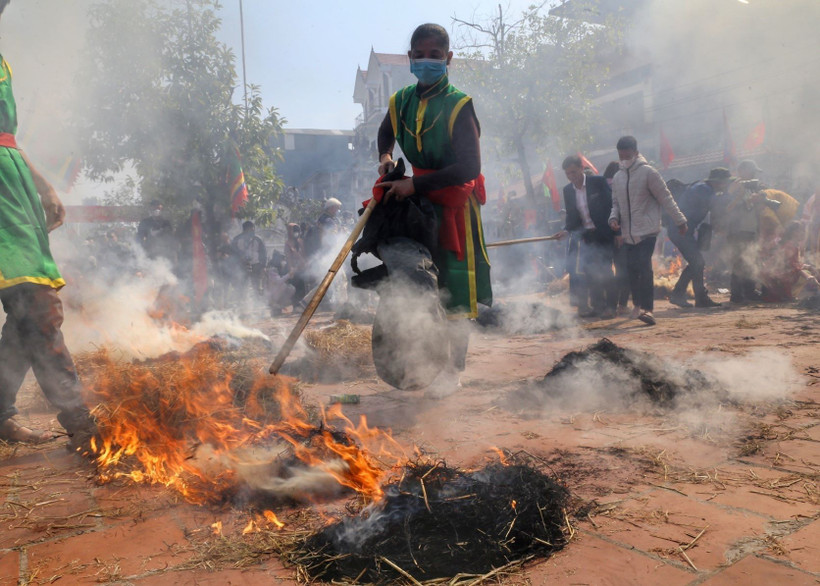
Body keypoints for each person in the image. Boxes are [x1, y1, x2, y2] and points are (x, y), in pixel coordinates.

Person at [375, 22, 491, 396]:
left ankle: (453, 371)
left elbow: (469, 167)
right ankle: (420, 365)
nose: (427, 61)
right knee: (419, 285)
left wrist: (415, 184)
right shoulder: (401, 101)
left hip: (454, 205)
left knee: (454, 288)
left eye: (435, 55)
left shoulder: (459, 105)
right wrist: (385, 157)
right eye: (420, 55)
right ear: (410, 58)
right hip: (419, 205)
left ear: (448, 58)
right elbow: (385, 132)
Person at [0, 14, 95, 448]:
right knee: (37, 307)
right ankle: (79, 420)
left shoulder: (3, 63)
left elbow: (7, 138)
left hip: (12, 185)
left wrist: (42, 185)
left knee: (25, 317)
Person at [608, 136, 687, 325]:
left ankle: (648, 309)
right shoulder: (618, 177)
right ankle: (636, 305)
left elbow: (666, 198)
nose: (624, 160)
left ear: (636, 152)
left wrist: (680, 220)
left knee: (644, 266)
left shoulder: (649, 173)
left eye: (627, 156)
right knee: (631, 269)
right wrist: (613, 218)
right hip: (628, 233)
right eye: (621, 156)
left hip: (647, 230)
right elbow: (615, 204)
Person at [554, 155, 617, 318]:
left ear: (582, 169)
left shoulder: (598, 182)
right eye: (568, 174)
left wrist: (618, 232)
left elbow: (612, 206)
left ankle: (611, 307)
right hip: (586, 237)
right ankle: (597, 306)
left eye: (574, 172)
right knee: (590, 272)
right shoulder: (568, 190)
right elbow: (572, 217)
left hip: (604, 233)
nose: (571, 176)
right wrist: (566, 231)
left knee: (605, 271)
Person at [667, 168, 731, 308]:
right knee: (698, 262)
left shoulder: (701, 187)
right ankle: (684, 295)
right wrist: (730, 196)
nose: (726, 185)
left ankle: (693, 296)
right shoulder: (704, 190)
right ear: (719, 182)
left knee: (697, 263)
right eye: (726, 182)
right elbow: (716, 206)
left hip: (682, 230)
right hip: (680, 230)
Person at [231, 220, 267, 302]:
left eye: (253, 229)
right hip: (242, 265)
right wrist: (240, 258)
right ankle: (242, 303)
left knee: (256, 284)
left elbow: (263, 253)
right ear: (245, 230)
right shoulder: (237, 239)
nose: (253, 231)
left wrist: (264, 266)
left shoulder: (258, 239)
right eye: (251, 229)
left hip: (256, 265)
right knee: (242, 285)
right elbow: (232, 252)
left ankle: (257, 303)